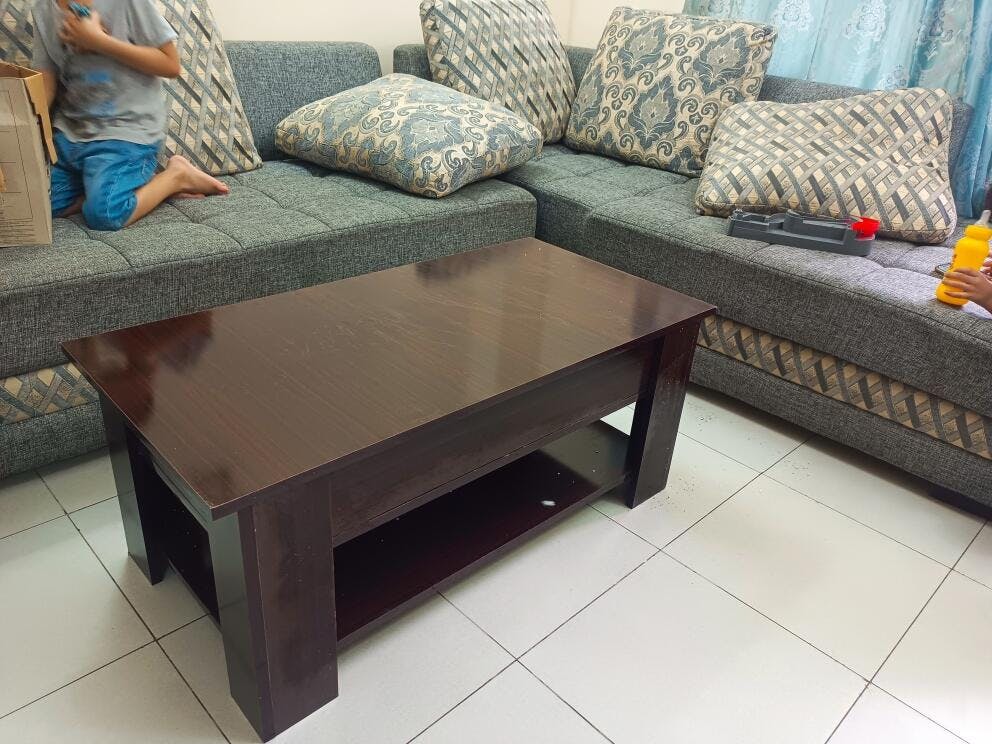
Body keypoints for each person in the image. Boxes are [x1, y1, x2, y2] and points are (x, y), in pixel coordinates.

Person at [31, 0, 229, 231]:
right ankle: (124, 188)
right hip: (70, 135)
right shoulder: (43, 9)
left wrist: (100, 42)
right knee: (32, 207)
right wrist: (26, 129)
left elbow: (171, 65)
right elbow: (45, 79)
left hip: (126, 135)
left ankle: (177, 175)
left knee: (105, 214)